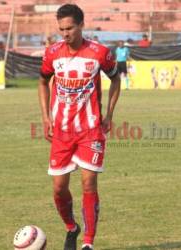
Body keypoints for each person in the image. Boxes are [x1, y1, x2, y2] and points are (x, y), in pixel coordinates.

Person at [38, 4, 120, 250]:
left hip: (90, 130)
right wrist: (45, 117)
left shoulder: (99, 53)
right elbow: (42, 81)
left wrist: (109, 114)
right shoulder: (52, 53)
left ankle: (88, 243)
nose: (65, 33)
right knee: (59, 188)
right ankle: (72, 227)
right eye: (61, 29)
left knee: (88, 184)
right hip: (61, 133)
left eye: (70, 28)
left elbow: (116, 78)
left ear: (81, 25)